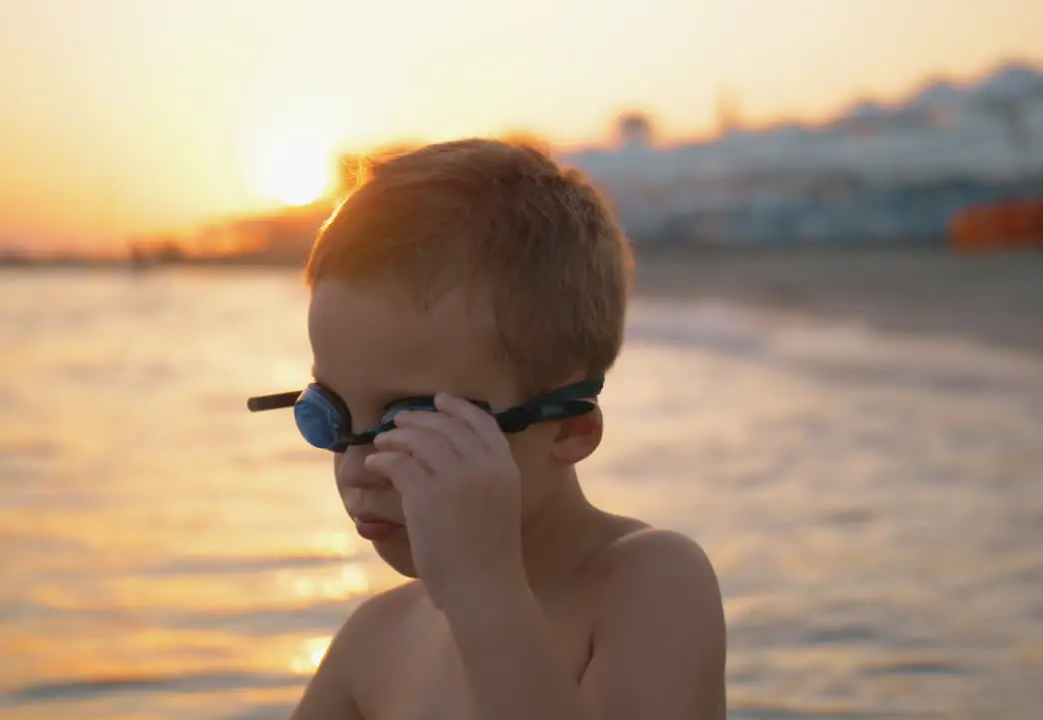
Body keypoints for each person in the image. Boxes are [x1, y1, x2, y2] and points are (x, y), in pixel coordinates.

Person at [246, 138, 727, 719]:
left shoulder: (651, 583)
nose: (356, 467)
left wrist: (485, 594)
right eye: (327, 414)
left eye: (415, 425)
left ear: (569, 428)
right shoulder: (372, 643)